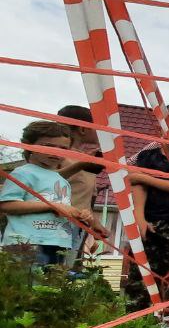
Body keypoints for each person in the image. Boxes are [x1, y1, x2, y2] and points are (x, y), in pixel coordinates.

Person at [123, 111, 169, 314]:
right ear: (161, 133)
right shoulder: (147, 157)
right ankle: (136, 319)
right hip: (149, 221)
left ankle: (168, 320)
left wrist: (145, 177)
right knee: (141, 272)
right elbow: (136, 184)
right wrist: (140, 218)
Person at [0, 120, 95, 268]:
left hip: (58, 243)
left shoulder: (60, 180)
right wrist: (52, 206)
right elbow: (7, 204)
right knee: (25, 287)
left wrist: (81, 215)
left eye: (63, 148)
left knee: (48, 288)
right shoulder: (23, 173)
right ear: (28, 145)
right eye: (49, 146)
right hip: (26, 243)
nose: (56, 152)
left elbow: (61, 209)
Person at [55, 105, 105, 260]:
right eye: (95, 127)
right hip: (54, 224)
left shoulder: (84, 158)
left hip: (78, 225)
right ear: (83, 129)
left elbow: (86, 197)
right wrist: (80, 165)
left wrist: (95, 223)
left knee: (66, 269)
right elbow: (45, 180)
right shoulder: (57, 155)